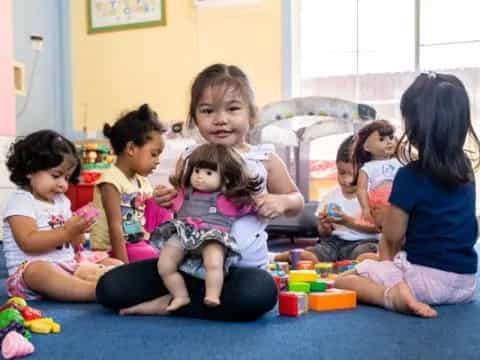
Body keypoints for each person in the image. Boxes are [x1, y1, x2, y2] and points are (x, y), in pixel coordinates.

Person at [96, 63, 304, 321]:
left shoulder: (264, 159)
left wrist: (282, 201)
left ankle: (174, 303)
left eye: (233, 109)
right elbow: (184, 204)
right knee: (109, 289)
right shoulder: (189, 157)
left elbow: (297, 200)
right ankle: (191, 298)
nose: (220, 119)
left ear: (251, 114)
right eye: (208, 111)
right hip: (187, 267)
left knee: (260, 294)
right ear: (194, 118)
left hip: (239, 272)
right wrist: (168, 199)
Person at [335, 72, 480, 318]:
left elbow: (392, 239)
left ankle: (392, 297)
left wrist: (386, 263)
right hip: (466, 284)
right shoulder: (465, 167)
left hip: (424, 283)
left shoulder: (410, 176)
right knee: (376, 262)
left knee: (345, 280)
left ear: (414, 128)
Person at [3, 130, 122, 302]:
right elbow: (27, 242)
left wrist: (79, 230)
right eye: (56, 176)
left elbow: (74, 246)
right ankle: (96, 291)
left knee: (114, 264)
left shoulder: (62, 202)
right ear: (30, 170)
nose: (63, 185)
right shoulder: (21, 201)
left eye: (67, 178)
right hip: (31, 273)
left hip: (67, 265)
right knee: (38, 271)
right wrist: (67, 231)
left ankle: (112, 284)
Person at [153, 143, 261, 310]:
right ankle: (180, 295)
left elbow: (254, 206)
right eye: (196, 171)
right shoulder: (184, 194)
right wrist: (162, 194)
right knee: (165, 264)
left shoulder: (228, 199)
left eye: (208, 173)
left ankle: (212, 294)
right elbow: (171, 204)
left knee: (214, 263)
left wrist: (264, 204)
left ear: (226, 177)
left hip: (212, 236)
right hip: (184, 233)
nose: (199, 177)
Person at [273, 135, 379, 264]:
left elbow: (377, 227)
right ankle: (277, 257)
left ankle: (359, 264)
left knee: (365, 255)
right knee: (315, 252)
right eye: (341, 172)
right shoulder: (330, 196)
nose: (345, 180)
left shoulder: (372, 195)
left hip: (366, 243)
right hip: (334, 243)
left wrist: (347, 221)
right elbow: (324, 234)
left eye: (352, 174)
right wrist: (324, 226)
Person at [89, 104, 166, 263]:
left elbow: (152, 212)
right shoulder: (111, 181)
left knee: (162, 204)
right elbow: (115, 227)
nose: (157, 161)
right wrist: (123, 266)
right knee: (159, 260)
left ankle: (160, 245)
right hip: (114, 249)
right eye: (153, 154)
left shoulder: (140, 180)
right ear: (131, 148)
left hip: (137, 240)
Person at [352, 119, 402, 224]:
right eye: (381, 139)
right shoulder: (368, 167)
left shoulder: (400, 160)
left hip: (400, 200)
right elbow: (361, 190)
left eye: (391, 137)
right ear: (366, 147)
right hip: (380, 203)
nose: (389, 142)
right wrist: (365, 208)